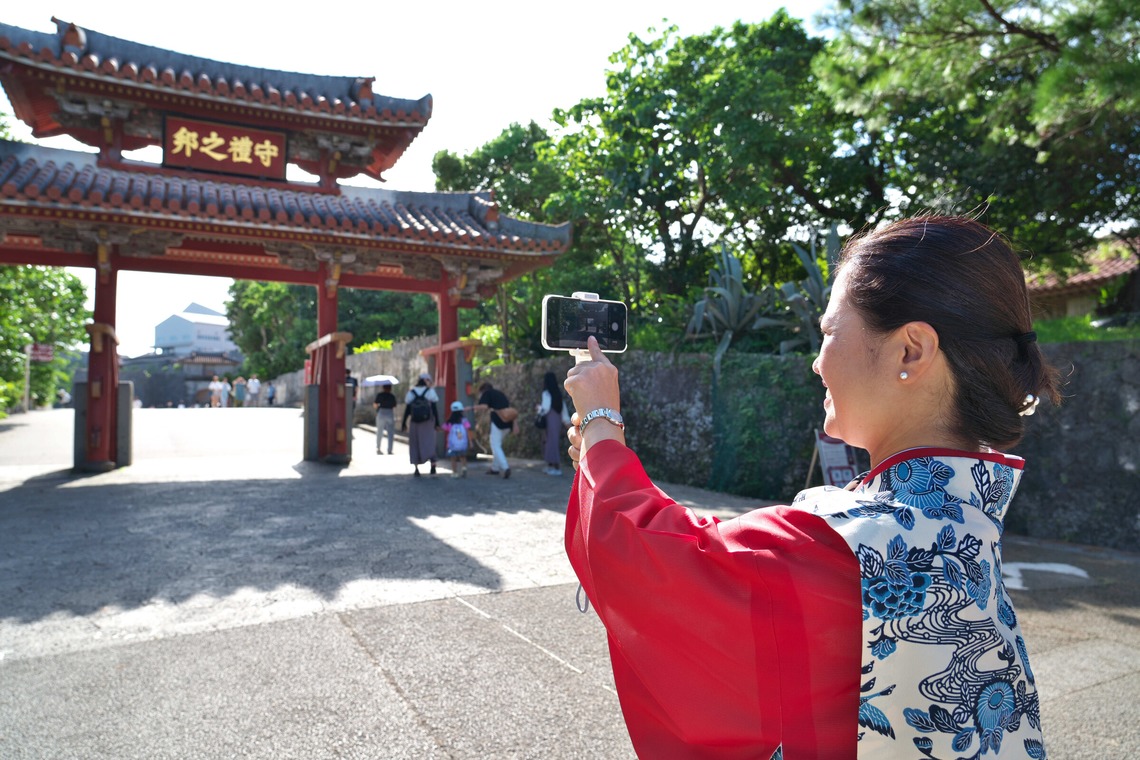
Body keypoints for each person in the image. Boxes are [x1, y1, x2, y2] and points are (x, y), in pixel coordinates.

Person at [561, 215, 1060, 759]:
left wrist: (600, 421)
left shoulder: (847, 548)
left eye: (828, 334)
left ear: (910, 351)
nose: (818, 363)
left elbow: (652, 560)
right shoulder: (966, 516)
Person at [472, 381, 514, 479]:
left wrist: (471, 407)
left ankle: (505, 467)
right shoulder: (500, 394)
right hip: (508, 421)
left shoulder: (487, 393)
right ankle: (495, 468)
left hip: (498, 421)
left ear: (482, 390)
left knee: (495, 445)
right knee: (497, 445)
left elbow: (484, 406)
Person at [401, 372, 439, 477]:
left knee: (415, 444)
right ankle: (433, 465)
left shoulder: (411, 393)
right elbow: (435, 409)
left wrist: (404, 423)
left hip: (415, 422)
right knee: (430, 442)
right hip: (428, 422)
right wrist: (437, 423)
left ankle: (416, 468)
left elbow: (407, 410)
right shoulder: (430, 392)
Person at [536, 371, 571, 476]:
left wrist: (538, 409)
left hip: (549, 419)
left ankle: (554, 467)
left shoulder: (546, 393)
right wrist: (567, 421)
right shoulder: (557, 393)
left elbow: (545, 408)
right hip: (557, 420)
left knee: (548, 442)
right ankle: (552, 466)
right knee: (553, 442)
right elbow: (563, 408)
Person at [442, 401, 472, 478]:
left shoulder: (450, 422)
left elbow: (444, 428)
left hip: (452, 445)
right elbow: (468, 430)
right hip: (463, 443)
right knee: (462, 456)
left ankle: (454, 472)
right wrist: (470, 442)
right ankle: (464, 468)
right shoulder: (464, 420)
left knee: (453, 459)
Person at [373, 382, 398, 455]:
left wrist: (378, 407)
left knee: (379, 431)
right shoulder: (392, 396)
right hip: (390, 413)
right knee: (390, 433)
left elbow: (375, 404)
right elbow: (394, 405)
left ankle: (378, 447)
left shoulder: (380, 395)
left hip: (381, 412)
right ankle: (390, 449)